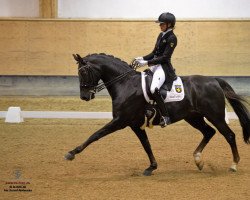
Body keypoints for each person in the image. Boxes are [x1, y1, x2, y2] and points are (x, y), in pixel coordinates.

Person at [135, 12, 177, 127]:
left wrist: (147, 63)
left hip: (163, 67)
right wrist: (142, 58)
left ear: (169, 24)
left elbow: (165, 57)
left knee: (154, 89)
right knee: (143, 85)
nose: (160, 26)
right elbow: (154, 53)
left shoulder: (172, 38)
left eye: (162, 24)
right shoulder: (161, 35)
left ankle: (166, 116)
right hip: (154, 65)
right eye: (160, 24)